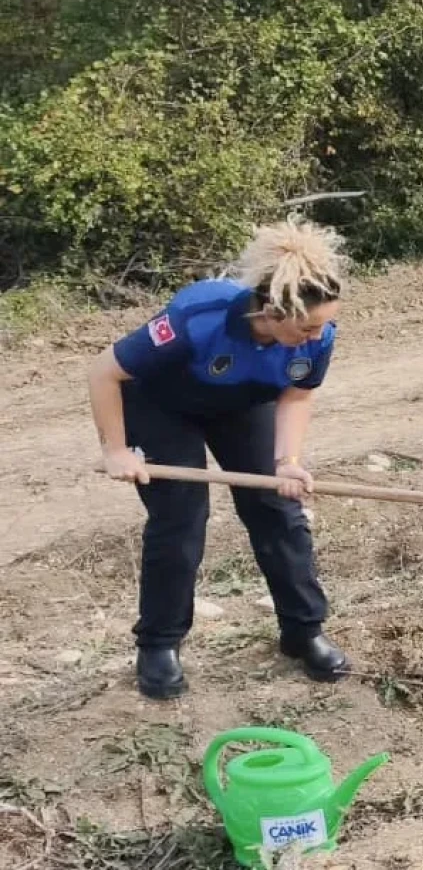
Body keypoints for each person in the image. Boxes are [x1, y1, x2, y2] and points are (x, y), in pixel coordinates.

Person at [88, 220, 350, 700]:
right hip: (162, 407)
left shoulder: (318, 336)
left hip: (242, 404)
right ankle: (159, 646)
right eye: (308, 326)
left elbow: (296, 395)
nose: (319, 336)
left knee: (276, 510)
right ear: (273, 311)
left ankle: (303, 631)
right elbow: (105, 371)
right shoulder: (198, 316)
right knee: (182, 517)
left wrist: (287, 461)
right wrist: (116, 450)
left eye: (324, 324)